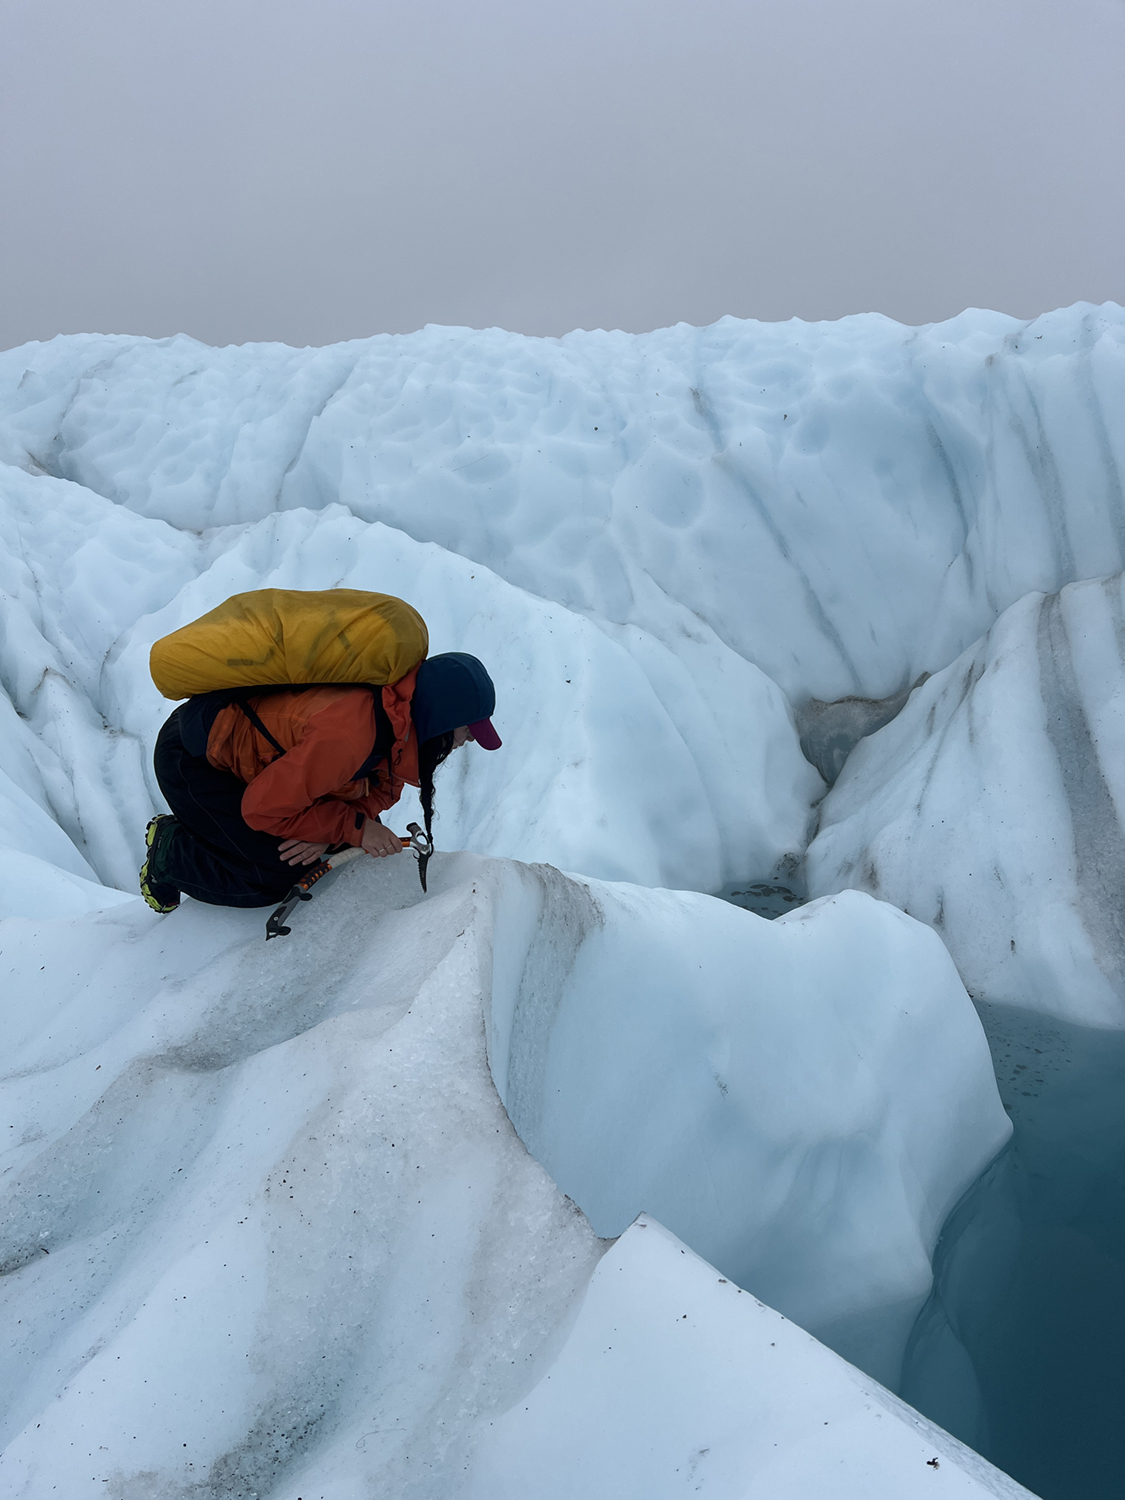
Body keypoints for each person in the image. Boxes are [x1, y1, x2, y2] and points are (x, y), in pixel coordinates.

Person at [138, 651, 501, 912]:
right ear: (441, 716)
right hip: (196, 760)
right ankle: (171, 853)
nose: (468, 739)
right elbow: (260, 810)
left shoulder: (398, 721)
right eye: (468, 728)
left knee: (311, 854)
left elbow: (382, 790)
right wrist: (353, 829)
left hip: (260, 772)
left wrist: (333, 831)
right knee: (272, 874)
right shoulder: (348, 736)